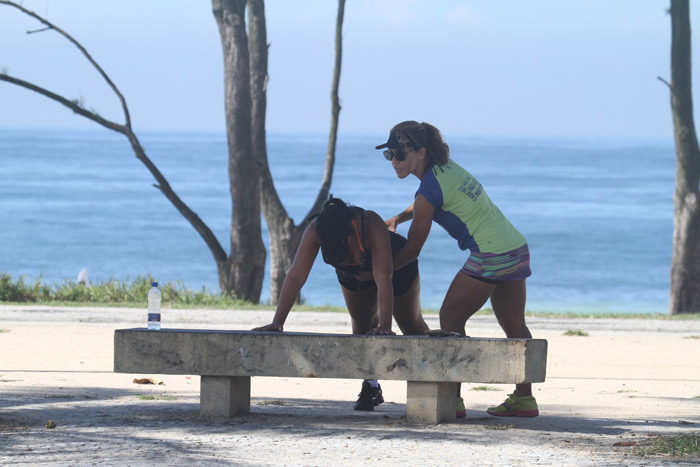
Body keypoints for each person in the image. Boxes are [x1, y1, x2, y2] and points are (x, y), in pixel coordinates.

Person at [376, 121, 539, 418]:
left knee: (450, 317)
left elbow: (412, 249)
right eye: (389, 154)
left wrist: (380, 274)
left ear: (421, 152)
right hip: (515, 248)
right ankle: (524, 399)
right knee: (515, 325)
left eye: (399, 153)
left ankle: (452, 399)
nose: (394, 161)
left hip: (490, 253)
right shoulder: (448, 169)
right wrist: (399, 217)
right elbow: (428, 204)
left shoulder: (428, 189)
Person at [253, 196, 429, 412]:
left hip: (397, 267)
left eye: (344, 254)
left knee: (412, 326)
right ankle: (370, 386)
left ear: (350, 234)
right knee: (363, 327)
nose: (342, 259)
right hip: (354, 277)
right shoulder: (315, 230)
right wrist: (277, 322)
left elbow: (384, 279)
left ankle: (430, 387)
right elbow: (296, 276)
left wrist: (385, 325)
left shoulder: (371, 225)